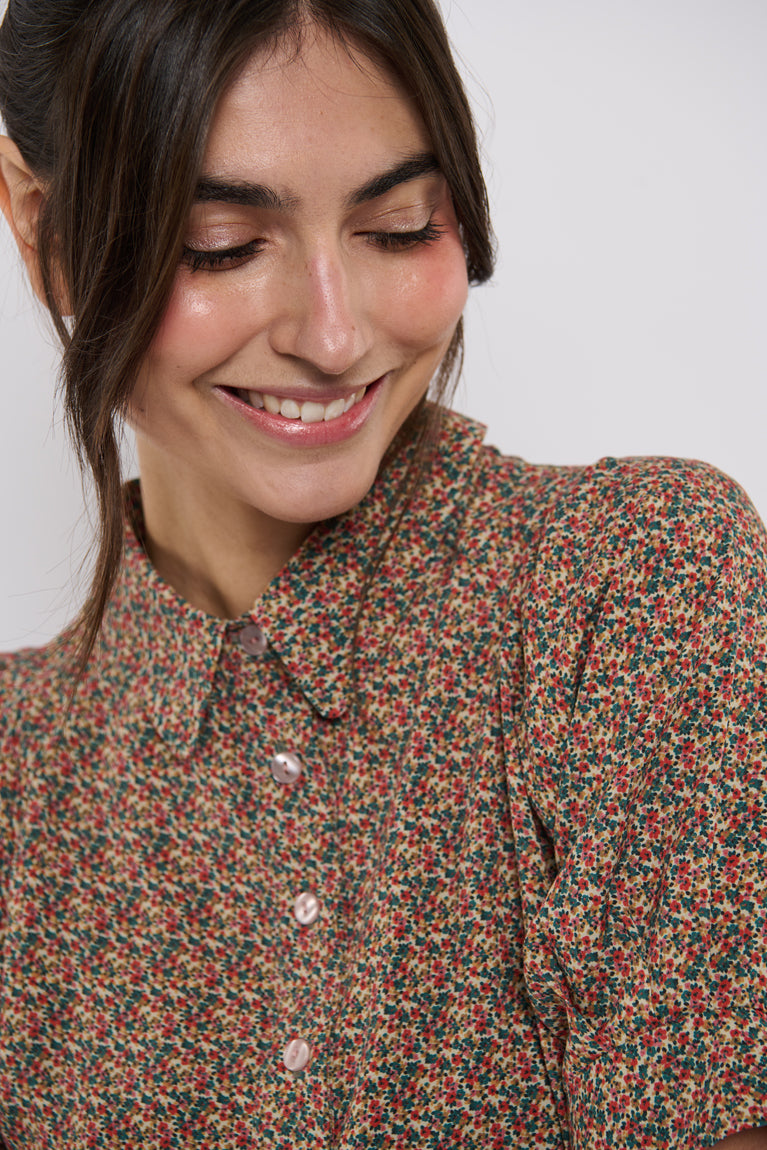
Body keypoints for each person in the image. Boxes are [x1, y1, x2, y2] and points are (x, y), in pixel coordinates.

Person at [0, 0, 764, 1145]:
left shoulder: (636, 588)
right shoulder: (20, 775)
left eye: (399, 228)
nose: (333, 335)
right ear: (42, 229)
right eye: (220, 243)